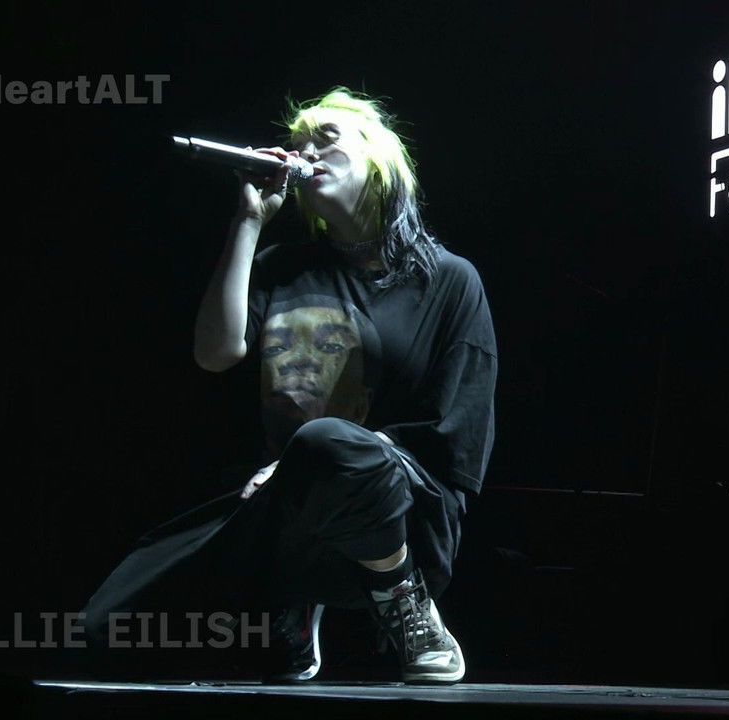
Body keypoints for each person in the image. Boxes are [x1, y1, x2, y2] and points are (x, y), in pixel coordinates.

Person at [80, 88, 497, 685]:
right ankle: (292, 607)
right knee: (104, 626)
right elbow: (216, 353)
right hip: (290, 507)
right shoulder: (283, 265)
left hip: (405, 512)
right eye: (299, 144)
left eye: (326, 138)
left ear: (380, 157)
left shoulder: (449, 280)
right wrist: (249, 222)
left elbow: (457, 431)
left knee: (328, 442)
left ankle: (407, 604)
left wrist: (304, 459)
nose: (306, 153)